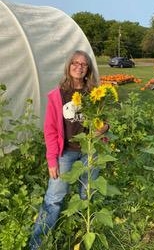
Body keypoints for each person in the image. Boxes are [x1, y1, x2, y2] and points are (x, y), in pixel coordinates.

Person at [29, 50, 109, 249]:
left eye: (83, 64)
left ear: (88, 69)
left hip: (90, 150)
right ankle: (37, 244)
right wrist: (52, 160)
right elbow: (50, 130)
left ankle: (83, 237)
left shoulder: (95, 93)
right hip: (65, 153)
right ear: (69, 66)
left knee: (87, 195)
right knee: (54, 198)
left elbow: (104, 121)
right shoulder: (58, 95)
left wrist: (104, 128)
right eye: (75, 63)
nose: (79, 66)